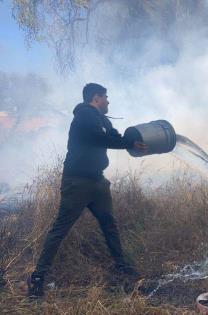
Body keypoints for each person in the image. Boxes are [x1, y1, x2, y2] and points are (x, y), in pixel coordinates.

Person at [27, 83, 148, 297]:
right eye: (106, 97)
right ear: (96, 98)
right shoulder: (83, 115)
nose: (108, 101)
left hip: (97, 182)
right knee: (61, 229)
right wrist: (124, 142)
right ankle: (37, 277)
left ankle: (122, 268)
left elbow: (115, 137)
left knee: (110, 225)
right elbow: (99, 138)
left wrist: (133, 142)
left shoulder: (102, 119)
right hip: (77, 182)